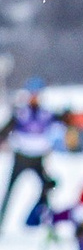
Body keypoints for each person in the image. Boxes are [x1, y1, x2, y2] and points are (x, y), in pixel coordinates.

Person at [5, 81, 64, 231]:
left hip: (38, 158)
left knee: (47, 186)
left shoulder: (47, 113)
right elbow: (6, 129)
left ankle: (36, 220)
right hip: (21, 157)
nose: (34, 97)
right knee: (10, 191)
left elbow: (61, 123)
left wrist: (66, 118)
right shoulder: (21, 113)